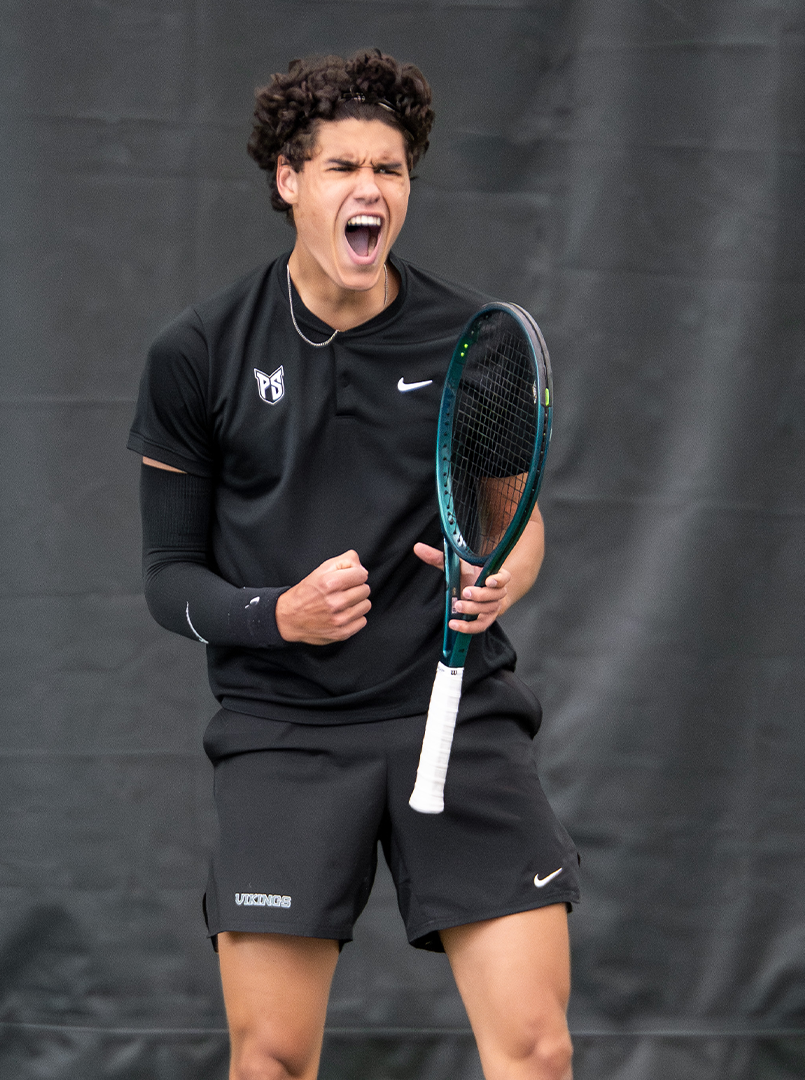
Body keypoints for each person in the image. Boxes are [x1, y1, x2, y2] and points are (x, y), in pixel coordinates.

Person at [128, 49, 577, 1080]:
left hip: (455, 716)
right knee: (275, 1058)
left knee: (539, 1050)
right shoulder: (195, 355)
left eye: (392, 170)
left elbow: (520, 521)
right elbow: (168, 579)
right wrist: (275, 613)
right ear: (289, 182)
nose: (371, 190)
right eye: (343, 169)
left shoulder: (475, 339)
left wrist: (506, 575)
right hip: (284, 734)